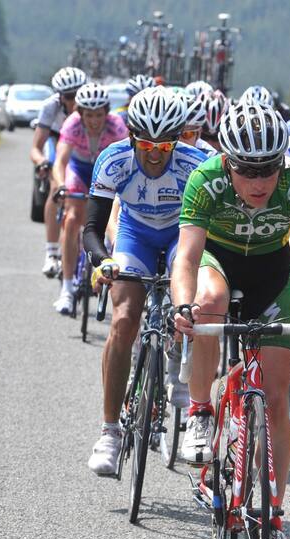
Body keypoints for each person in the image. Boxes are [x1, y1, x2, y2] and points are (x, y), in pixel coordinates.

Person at [170, 103, 290, 539]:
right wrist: (182, 305)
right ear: (227, 162)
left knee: (276, 397)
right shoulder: (205, 180)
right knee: (210, 302)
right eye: (248, 170)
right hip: (218, 261)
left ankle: (273, 519)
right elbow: (186, 258)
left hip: (269, 273)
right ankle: (201, 411)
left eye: (269, 168)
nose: (260, 181)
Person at [83, 87, 209, 475]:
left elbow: (212, 229)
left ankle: (181, 376)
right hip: (134, 233)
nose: (155, 154)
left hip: (179, 235)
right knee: (123, 321)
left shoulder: (197, 163)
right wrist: (103, 262)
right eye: (146, 144)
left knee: (194, 301)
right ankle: (109, 431)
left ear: (179, 139)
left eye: (165, 146)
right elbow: (90, 227)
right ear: (132, 136)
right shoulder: (114, 159)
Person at [50, 83, 129, 314]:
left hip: (107, 170)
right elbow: (61, 162)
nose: (94, 120)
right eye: (89, 115)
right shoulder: (72, 124)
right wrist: (62, 186)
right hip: (80, 168)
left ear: (106, 112)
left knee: (108, 217)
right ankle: (66, 289)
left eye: (98, 115)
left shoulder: (116, 126)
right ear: (80, 113)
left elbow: (127, 161)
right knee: (73, 217)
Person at [31, 66, 87, 277]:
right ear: (60, 96)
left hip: (81, 148)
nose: (74, 101)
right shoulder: (50, 107)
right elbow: (36, 147)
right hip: (57, 142)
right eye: (69, 97)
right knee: (57, 188)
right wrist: (42, 162)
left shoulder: (91, 107)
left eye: (77, 94)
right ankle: (52, 252)